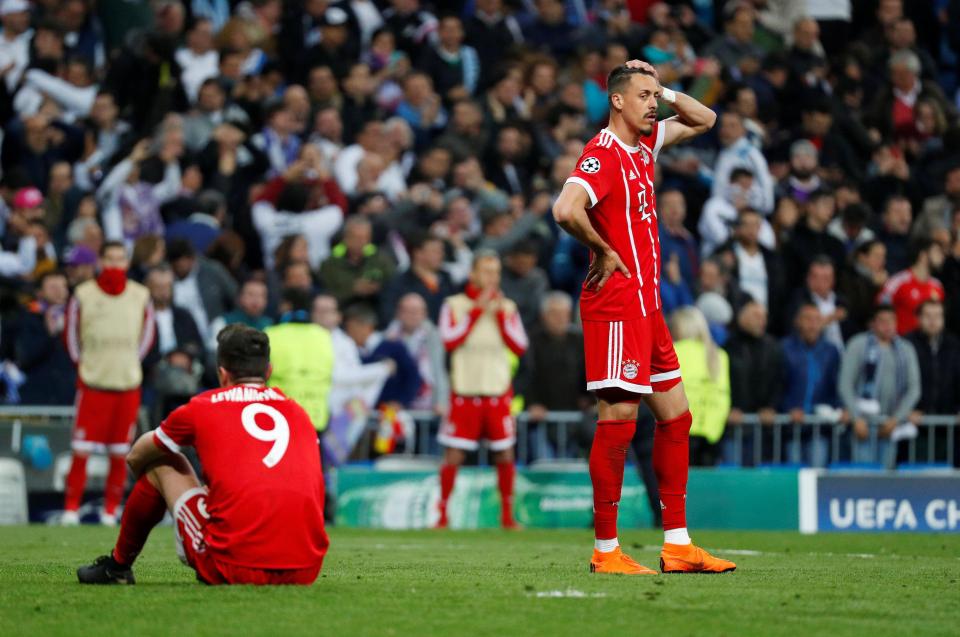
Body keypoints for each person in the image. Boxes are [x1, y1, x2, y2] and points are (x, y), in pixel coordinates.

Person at [552, 60, 734, 574]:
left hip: (648, 310)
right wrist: (603, 250)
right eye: (644, 95)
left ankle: (676, 544)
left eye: (656, 95)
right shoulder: (604, 154)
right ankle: (606, 550)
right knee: (618, 422)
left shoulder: (644, 146)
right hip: (615, 308)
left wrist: (665, 88)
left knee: (677, 417)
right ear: (616, 100)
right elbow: (566, 210)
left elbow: (706, 119)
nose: (654, 103)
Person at [76, 324, 328, 585]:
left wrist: (152, 491)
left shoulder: (202, 408)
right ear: (269, 371)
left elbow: (136, 455)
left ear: (222, 374)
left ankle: (117, 567)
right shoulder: (299, 414)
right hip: (305, 569)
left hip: (233, 567)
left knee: (162, 463)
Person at [62, 242, 155, 525]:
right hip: (93, 383)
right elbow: (71, 337)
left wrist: (128, 362)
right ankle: (71, 509)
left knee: (119, 452)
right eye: (110, 258)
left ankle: (110, 511)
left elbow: (146, 338)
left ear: (127, 263)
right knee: (81, 449)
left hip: (126, 384)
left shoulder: (141, 295)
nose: (115, 264)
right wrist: (86, 366)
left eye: (120, 258)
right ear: (101, 261)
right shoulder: (83, 295)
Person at [436, 250, 527, 530]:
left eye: (496, 272)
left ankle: (507, 516)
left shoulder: (508, 307)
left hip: (497, 391)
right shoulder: (453, 304)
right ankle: (442, 515)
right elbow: (449, 339)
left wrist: (499, 316)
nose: (492, 278)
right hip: (465, 390)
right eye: (486, 271)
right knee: (454, 455)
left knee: (505, 454)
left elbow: (520, 345)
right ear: (473, 274)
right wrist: (477, 310)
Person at [839, 305, 921, 467]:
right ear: (873, 323)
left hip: (889, 425)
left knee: (885, 476)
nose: (887, 325)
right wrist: (856, 419)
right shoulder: (858, 344)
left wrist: (896, 420)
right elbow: (845, 384)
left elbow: (914, 389)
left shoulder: (905, 349)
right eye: (882, 321)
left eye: (891, 321)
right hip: (862, 424)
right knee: (862, 475)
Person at [779, 303, 842, 467]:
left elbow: (835, 386)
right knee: (793, 478)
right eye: (807, 319)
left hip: (818, 428)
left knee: (817, 475)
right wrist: (788, 408)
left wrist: (838, 409)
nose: (812, 325)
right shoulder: (785, 348)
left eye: (817, 320)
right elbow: (778, 385)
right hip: (791, 426)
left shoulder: (831, 351)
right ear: (798, 322)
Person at [668, 307, 730, 467]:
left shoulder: (673, 351)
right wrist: (714, 431)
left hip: (678, 433)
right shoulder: (719, 355)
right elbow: (723, 397)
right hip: (711, 434)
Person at [878, 238, 946, 335]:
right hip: (901, 343)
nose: (942, 256)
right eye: (937, 251)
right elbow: (881, 309)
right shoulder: (898, 281)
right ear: (923, 255)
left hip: (927, 345)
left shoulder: (937, 286)